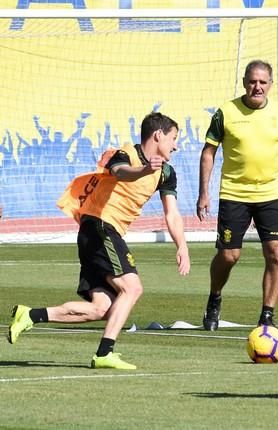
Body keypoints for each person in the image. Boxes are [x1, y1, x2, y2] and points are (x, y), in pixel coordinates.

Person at [6, 112, 190, 370]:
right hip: (100, 226)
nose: (176, 145)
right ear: (158, 135)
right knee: (132, 288)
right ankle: (105, 353)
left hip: (98, 233)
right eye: (173, 138)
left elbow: (172, 212)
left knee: (102, 309)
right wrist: (144, 169)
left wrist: (181, 245)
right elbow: (121, 172)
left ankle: (31, 314)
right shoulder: (125, 154)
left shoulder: (167, 173)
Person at [196, 60, 278, 330]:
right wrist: (203, 192)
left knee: (276, 252)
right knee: (230, 256)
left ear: (270, 85)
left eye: (263, 82)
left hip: (270, 193)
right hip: (234, 193)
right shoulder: (225, 112)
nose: (257, 87)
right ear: (244, 82)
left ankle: (267, 315)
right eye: (253, 81)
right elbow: (209, 152)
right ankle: (215, 297)